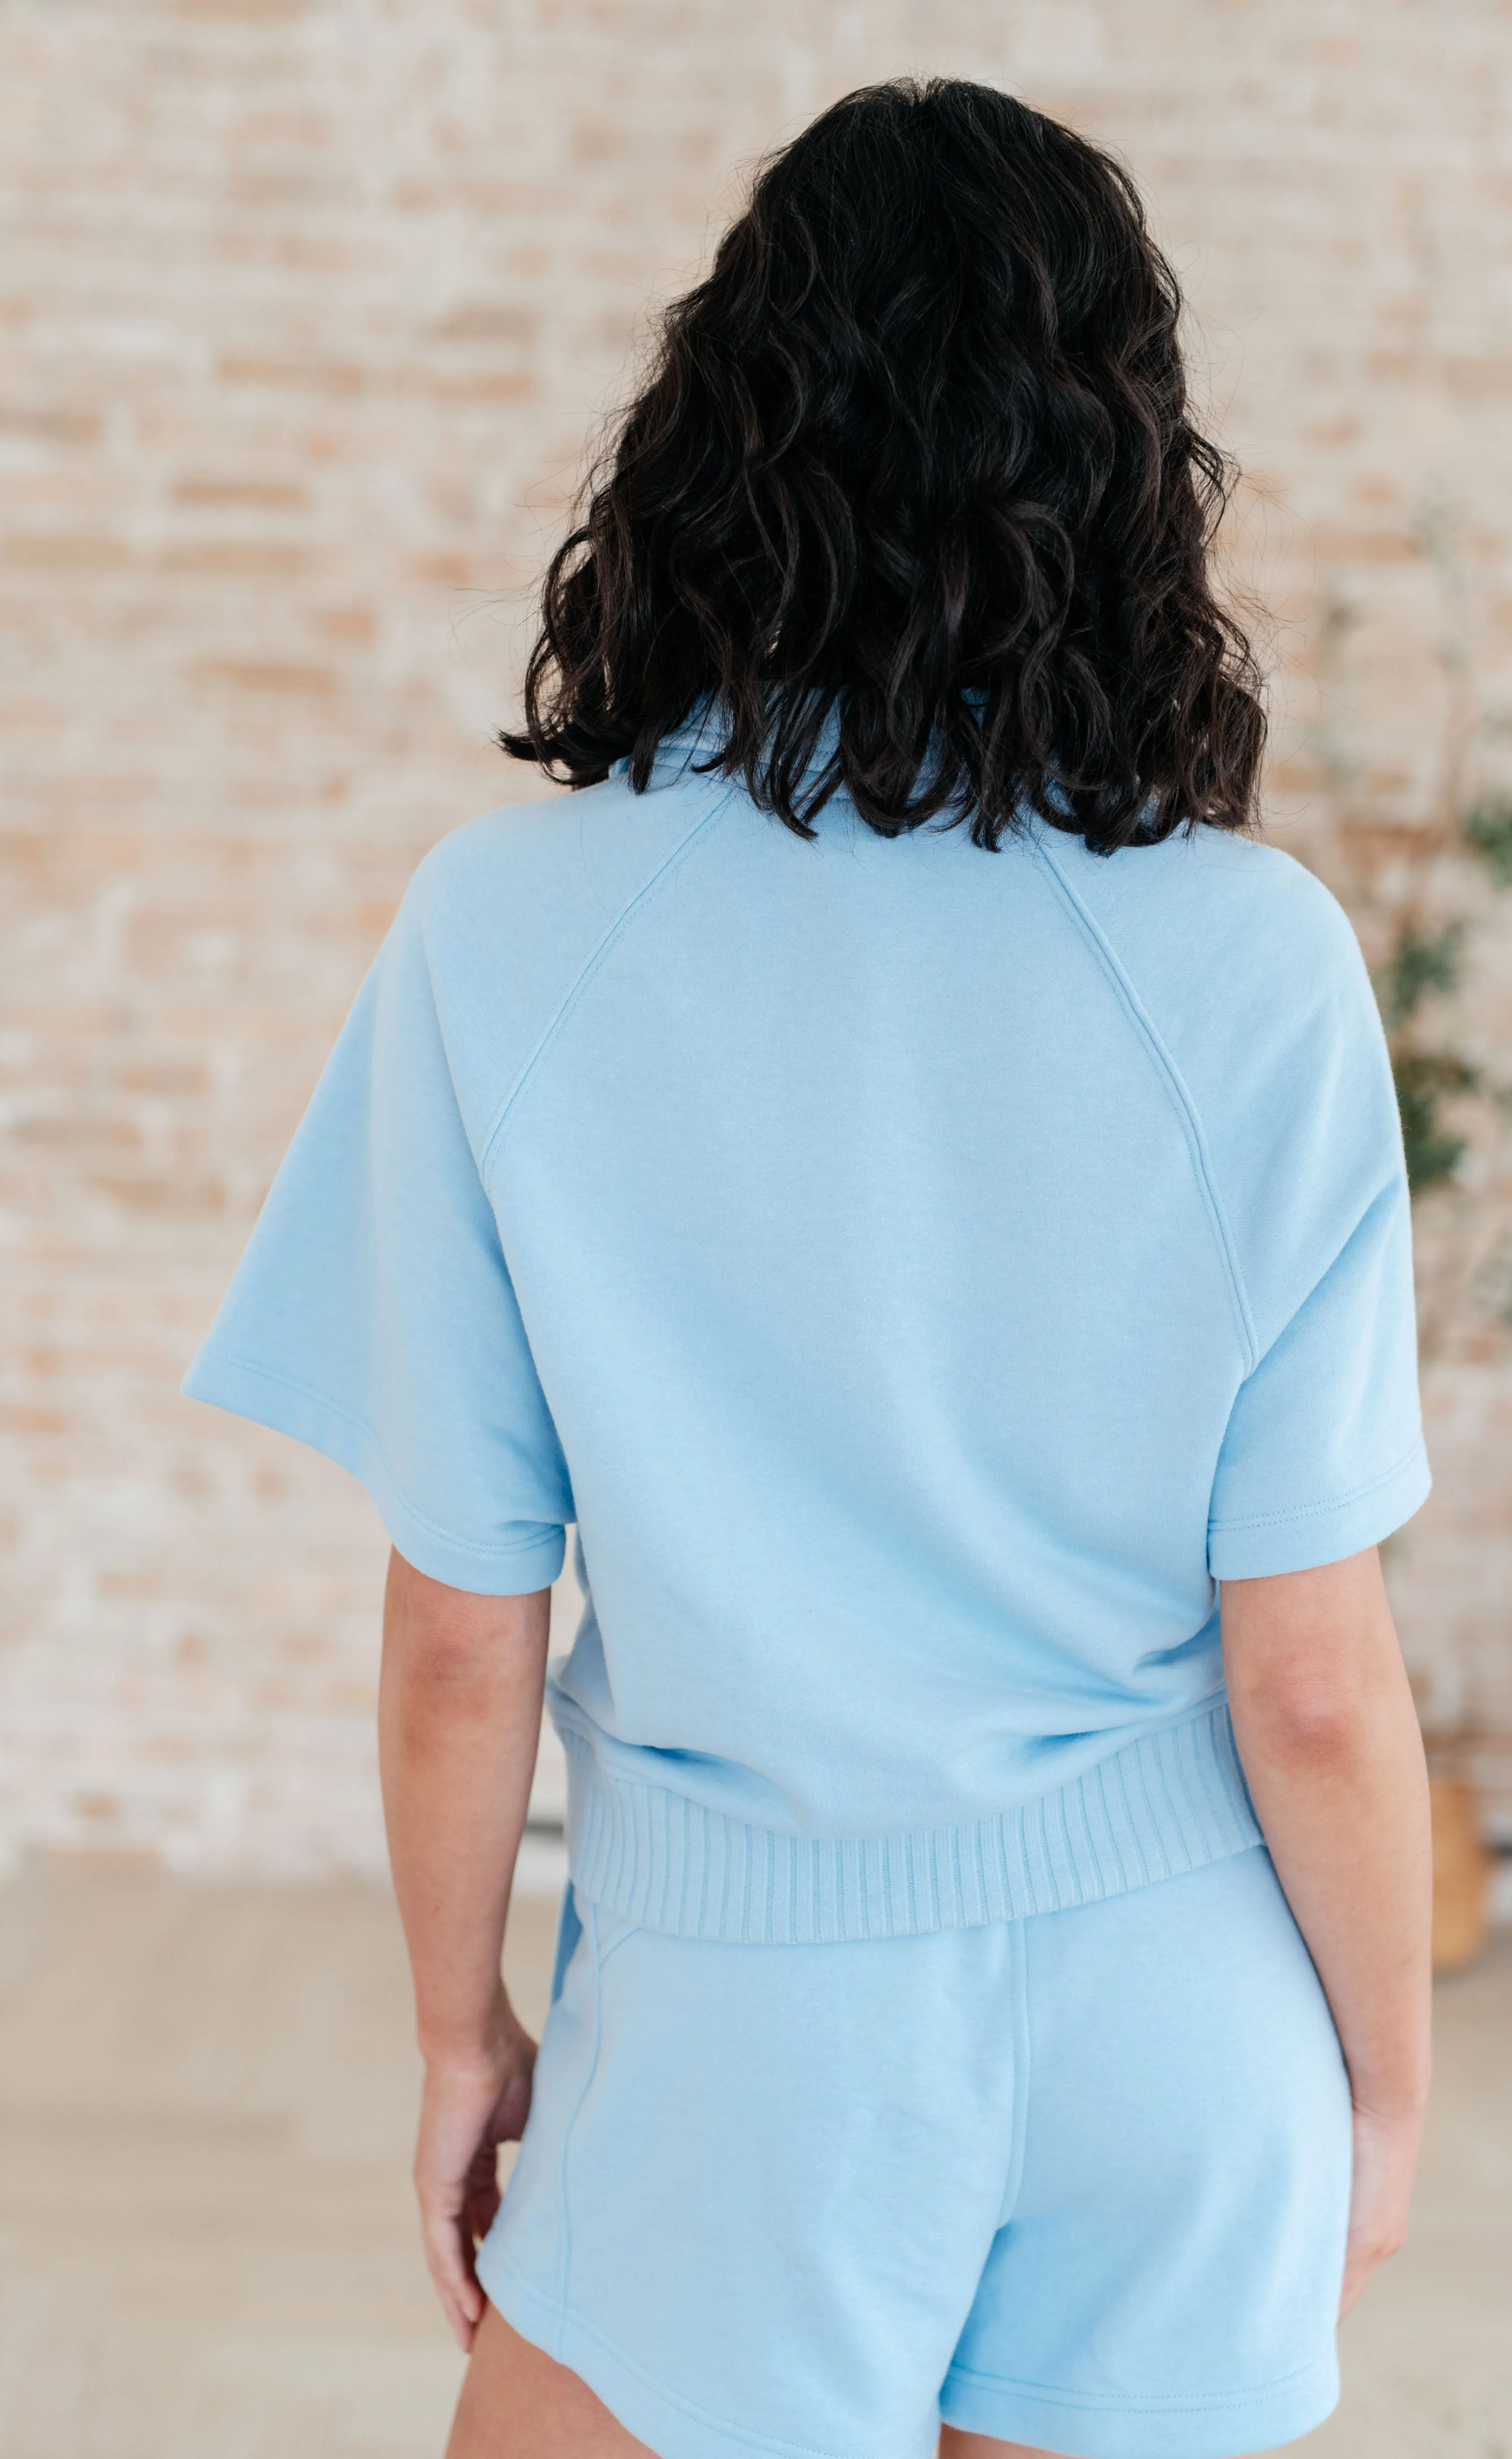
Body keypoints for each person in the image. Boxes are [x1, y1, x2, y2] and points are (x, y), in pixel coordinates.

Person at [184, 77, 1433, 2459]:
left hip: (739, 2021)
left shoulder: (507, 933)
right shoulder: (1255, 963)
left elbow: (466, 1625)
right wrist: (1369, 2078)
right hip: (1179, 2008)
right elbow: (1311, 1681)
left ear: (711, 446)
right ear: (1123, 477)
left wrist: (462, 2038)